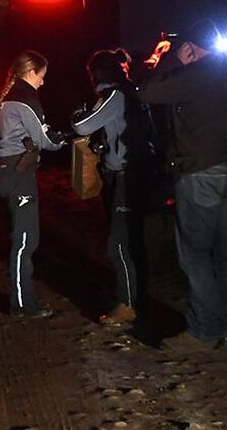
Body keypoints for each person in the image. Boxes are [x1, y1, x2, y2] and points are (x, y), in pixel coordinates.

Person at [137, 19, 227, 351]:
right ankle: (226, 323)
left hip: (202, 169)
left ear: (190, 46)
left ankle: (204, 330)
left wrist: (173, 61)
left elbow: (147, 92)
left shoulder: (197, 74)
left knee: (195, 252)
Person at [72, 48, 153, 326]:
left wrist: (79, 110)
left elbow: (82, 126)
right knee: (134, 240)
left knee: (119, 243)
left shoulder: (114, 95)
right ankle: (137, 298)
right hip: (138, 172)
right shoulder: (134, 93)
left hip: (125, 175)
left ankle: (127, 304)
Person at [0, 50, 66, 318]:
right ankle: (22, 305)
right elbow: (44, 139)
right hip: (18, 174)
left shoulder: (9, 98)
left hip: (8, 171)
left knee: (24, 238)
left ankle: (23, 301)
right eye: (41, 76)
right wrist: (64, 139)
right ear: (31, 72)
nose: (43, 82)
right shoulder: (25, 99)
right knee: (25, 240)